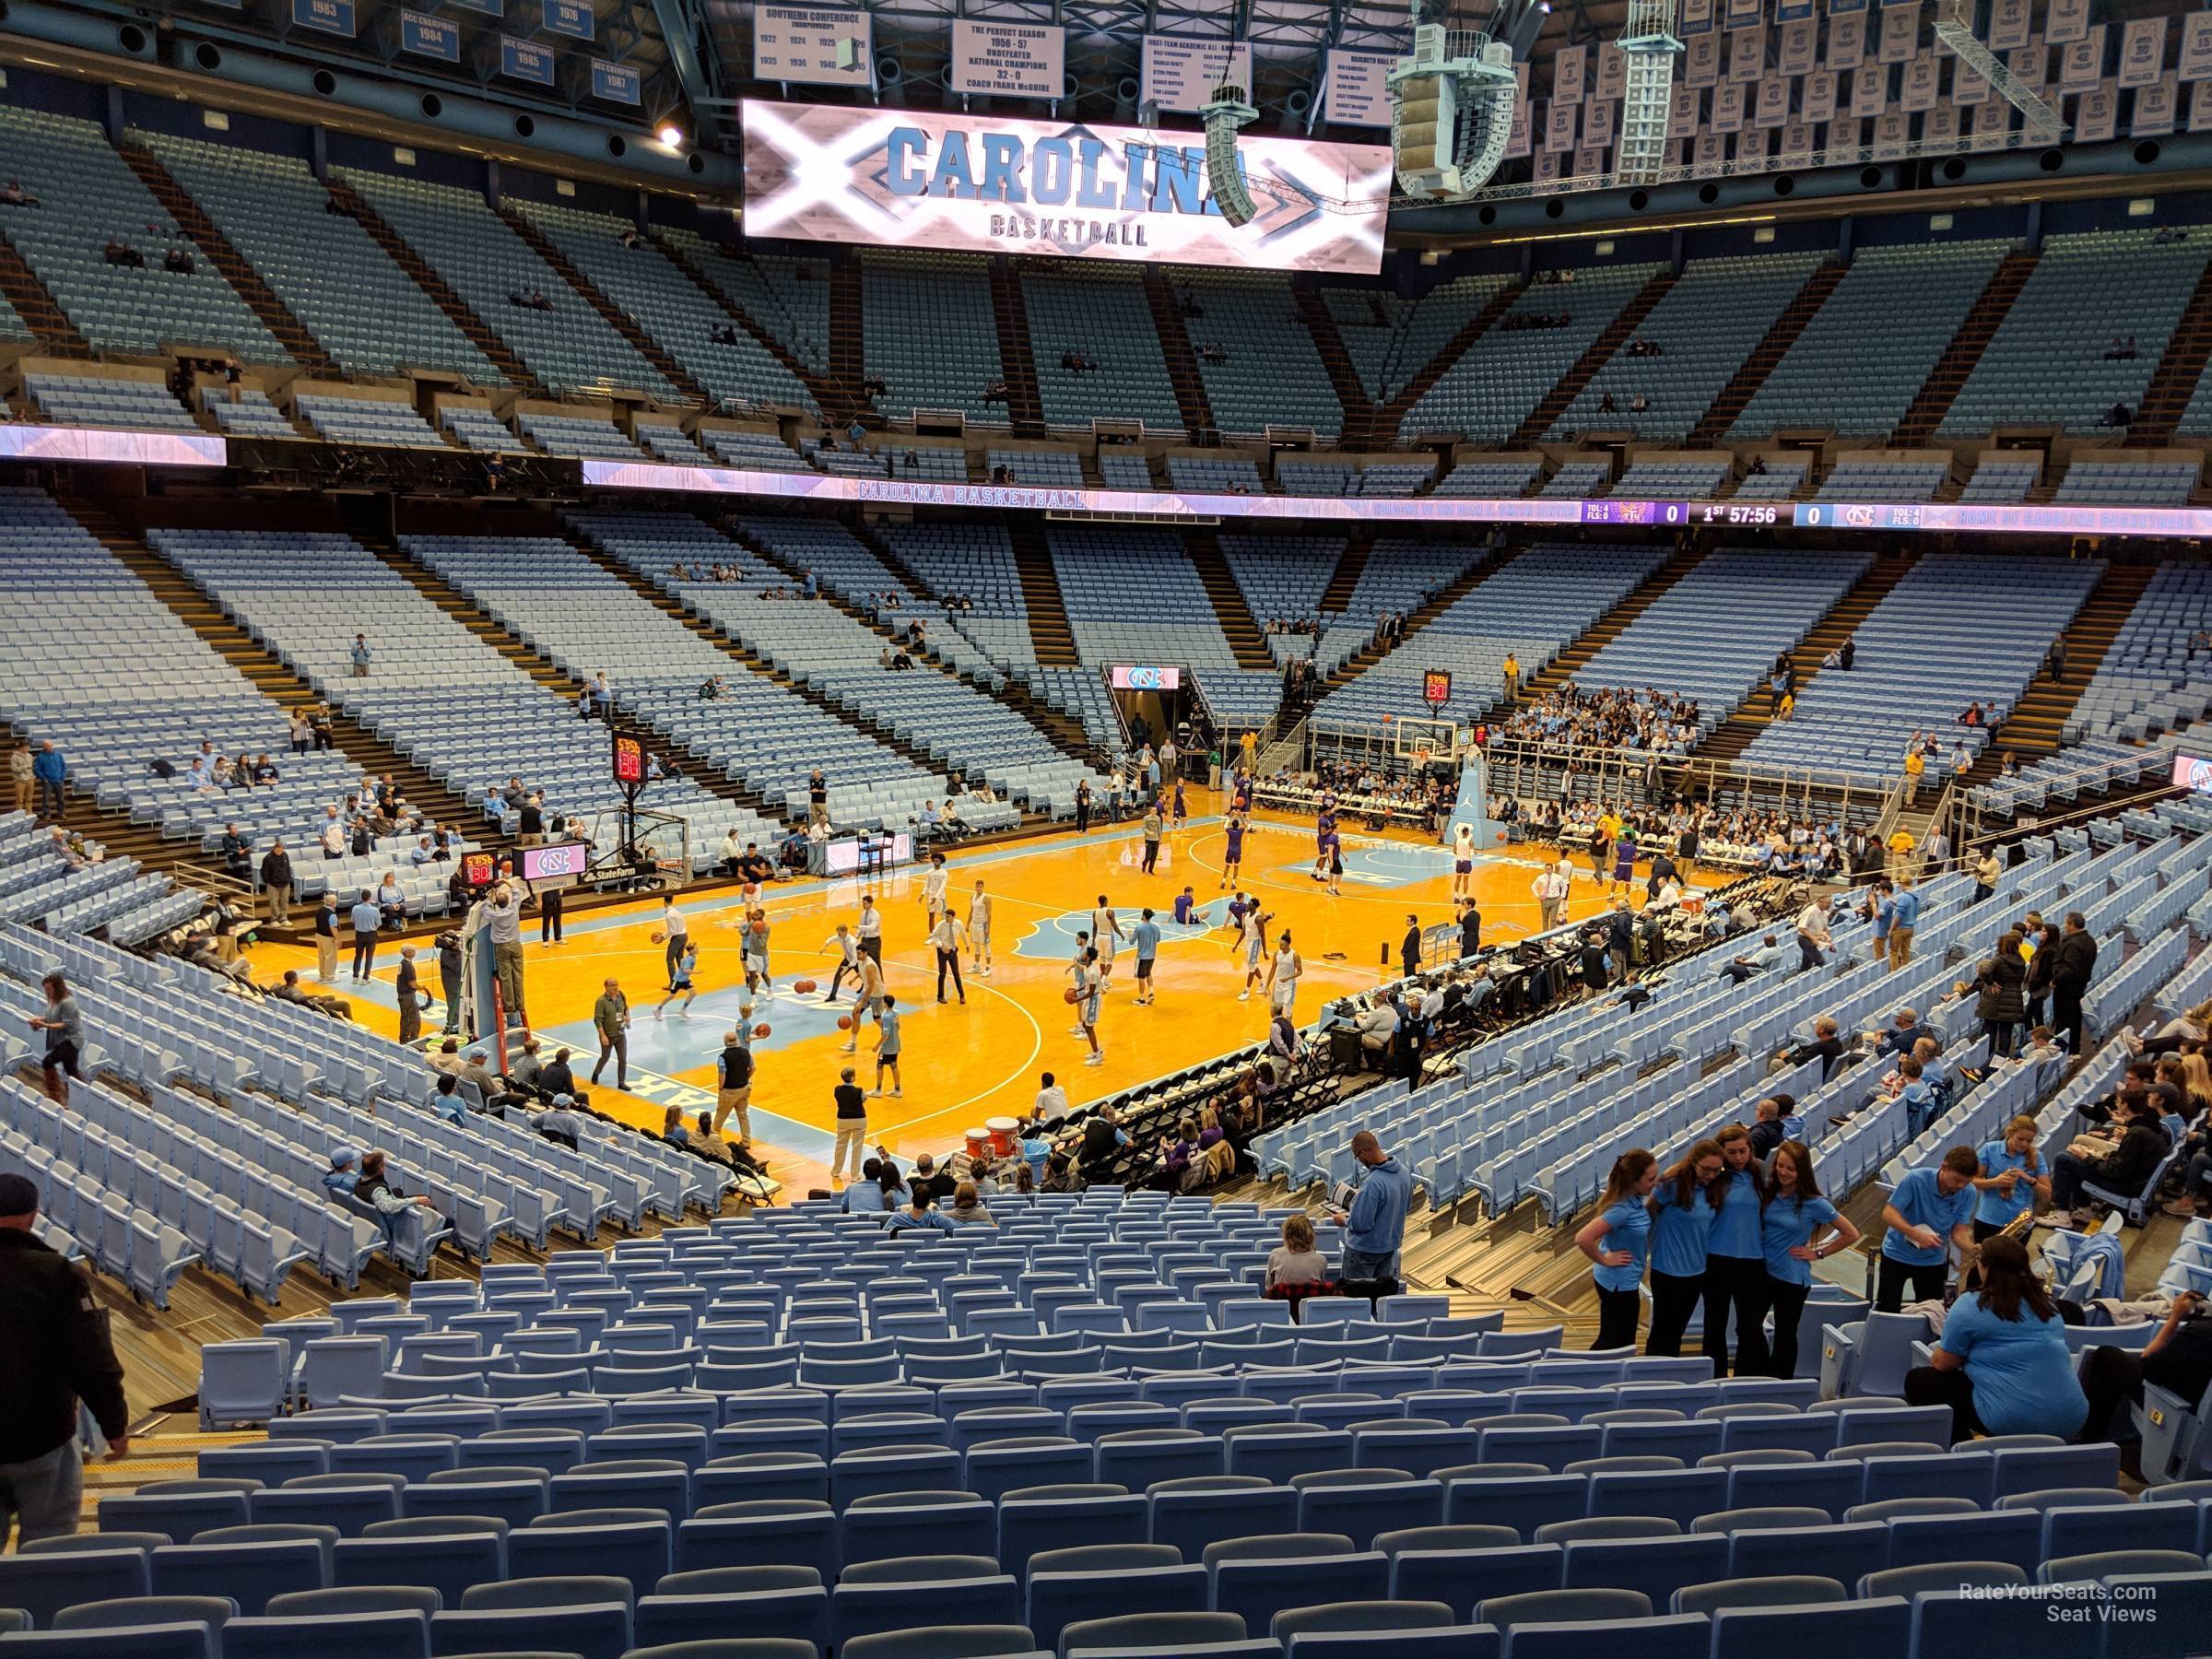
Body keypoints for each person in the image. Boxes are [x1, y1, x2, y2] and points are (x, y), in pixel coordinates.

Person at [0, 1172, 129, 1541]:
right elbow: (91, 1359)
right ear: (33, 1215)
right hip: (42, 1434)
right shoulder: (56, 1273)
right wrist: (114, 1424)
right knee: (50, 1546)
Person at [1903, 1235, 2088, 1444]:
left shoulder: (1971, 1306)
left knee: (1921, 1380)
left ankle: (1962, 1451)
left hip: (2013, 1420)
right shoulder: (2048, 1306)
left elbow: (1942, 1363)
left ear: (1985, 1267)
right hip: (2072, 1417)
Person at [1750, 1141, 1858, 1379]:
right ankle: (1758, 1375)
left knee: (1785, 1335)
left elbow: (1851, 1233)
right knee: (1749, 1326)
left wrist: (1818, 1253)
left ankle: (1780, 1383)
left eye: (1791, 1168)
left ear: (1802, 1171)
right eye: (1780, 1166)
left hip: (1791, 1277)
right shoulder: (1768, 1192)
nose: (1784, 1172)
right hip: (1762, 1271)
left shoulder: (1813, 1203)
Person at [2077, 1291, 2212, 1467]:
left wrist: (2175, 1319)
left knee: (2107, 1356)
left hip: (2175, 1407)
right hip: (2202, 1409)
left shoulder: (2198, 1333)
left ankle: (2090, 1443)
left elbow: (2147, 1364)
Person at [2040, 1088, 2168, 1230]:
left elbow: (2115, 1171)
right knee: (2074, 1159)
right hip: (2134, 1181)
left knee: (2063, 1159)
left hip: (2126, 1186)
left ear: (2125, 1106)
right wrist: (2099, 1156)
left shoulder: (2137, 1133)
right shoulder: (2149, 1127)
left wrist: (2088, 1157)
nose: (2116, 1105)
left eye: (2118, 1102)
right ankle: (2084, 1210)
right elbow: (2125, 1161)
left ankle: (2062, 1215)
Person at [1877, 1146, 1980, 1310]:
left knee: (1932, 1312)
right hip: (1897, 1254)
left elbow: (1959, 1233)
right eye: (1957, 1180)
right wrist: (1915, 1234)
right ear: (1944, 1167)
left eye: (1966, 1182)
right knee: (1888, 1307)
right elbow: (1889, 1213)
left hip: (1933, 1260)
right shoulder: (1916, 1179)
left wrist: (1974, 1249)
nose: (1960, 1186)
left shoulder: (1969, 1192)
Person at [1646, 1139, 1723, 1358]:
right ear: (1693, 1163)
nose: (1711, 1175)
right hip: (1667, 1270)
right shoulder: (1671, 1185)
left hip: (1696, 1271)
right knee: (1663, 1330)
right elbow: (1649, 1212)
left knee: (1677, 1330)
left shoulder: (1713, 1188)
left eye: (1716, 1170)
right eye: (1706, 1170)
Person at [1577, 1148, 1658, 1349]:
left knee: (1614, 1338)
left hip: (1622, 1281)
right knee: (1616, 1342)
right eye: (1651, 1179)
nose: (1655, 1182)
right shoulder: (1621, 1210)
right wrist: (1605, 1259)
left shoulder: (1634, 1203)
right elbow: (1583, 1238)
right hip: (1618, 1285)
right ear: (1634, 1182)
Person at [1333, 1130, 1412, 1283]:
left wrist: (1343, 1221)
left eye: (1357, 1156)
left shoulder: (1373, 1182)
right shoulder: (1404, 1173)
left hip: (1363, 1251)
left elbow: (1362, 1223)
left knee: (1355, 1300)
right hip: (1389, 1247)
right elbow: (1407, 1206)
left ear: (1364, 1153)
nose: (1360, 1161)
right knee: (1380, 1297)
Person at [2047, 911, 2098, 1060]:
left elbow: (2069, 969)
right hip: (2079, 986)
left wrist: (2055, 981)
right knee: (2075, 1017)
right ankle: (2074, 1049)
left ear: (2072, 925)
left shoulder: (2073, 944)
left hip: (2066, 988)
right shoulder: (2089, 940)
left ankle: (2063, 1051)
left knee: (2064, 1020)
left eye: (2066, 923)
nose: (2064, 926)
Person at [1973, 931, 2029, 1058]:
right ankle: (2001, 1061)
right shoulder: (2020, 961)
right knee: (2006, 1033)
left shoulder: (1998, 960)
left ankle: (1989, 1061)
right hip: (2013, 999)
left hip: (1995, 1000)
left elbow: (1984, 971)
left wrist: (1991, 983)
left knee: (1990, 1033)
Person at [29, 973, 82, 1107]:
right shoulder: (52, 1000)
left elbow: (66, 1024)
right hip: (60, 1040)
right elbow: (49, 1017)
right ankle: (82, 1096)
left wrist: (45, 1025)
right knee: (71, 1071)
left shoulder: (68, 1002)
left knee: (48, 1061)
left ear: (57, 988)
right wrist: (38, 1021)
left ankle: (55, 1097)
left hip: (71, 1040)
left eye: (49, 989)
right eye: (46, 990)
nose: (47, 992)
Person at [1266, 1213, 1331, 1288]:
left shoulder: (1275, 1254)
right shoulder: (1321, 1260)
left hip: (1281, 1299)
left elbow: (1269, 1287)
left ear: (1286, 1234)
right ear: (1310, 1234)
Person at [714, 1029, 754, 1143]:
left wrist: (721, 1086)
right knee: (743, 1116)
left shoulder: (723, 1057)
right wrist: (746, 1078)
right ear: (737, 1040)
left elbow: (722, 1073)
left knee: (720, 1117)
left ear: (725, 1041)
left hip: (729, 1091)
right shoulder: (746, 1052)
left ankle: (714, 1141)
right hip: (744, 1088)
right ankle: (746, 1140)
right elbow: (754, 1067)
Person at [591, 978, 630, 1089]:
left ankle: (621, 1082)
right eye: (612, 985)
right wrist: (603, 1035)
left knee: (622, 1059)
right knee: (605, 1057)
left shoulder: (621, 995)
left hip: (620, 1034)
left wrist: (627, 1016)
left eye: (616, 984)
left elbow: (626, 1008)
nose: (615, 987)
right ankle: (596, 1073)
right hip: (608, 1035)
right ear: (606, 987)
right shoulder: (601, 1001)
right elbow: (597, 1020)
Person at [831, 1066, 868, 1182]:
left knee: (840, 1145)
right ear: (853, 1078)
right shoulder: (859, 1091)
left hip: (842, 1120)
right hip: (859, 1120)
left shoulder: (837, 1089)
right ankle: (854, 1175)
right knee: (857, 1147)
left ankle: (836, 1171)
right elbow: (864, 1099)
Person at [885, 1187, 956, 1237]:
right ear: (929, 1202)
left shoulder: (897, 1219)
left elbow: (882, 1236)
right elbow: (955, 1229)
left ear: (912, 1200)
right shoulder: (936, 1217)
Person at [931, 905, 966, 1006]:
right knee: (942, 974)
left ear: (953, 917)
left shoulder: (958, 924)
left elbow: (963, 933)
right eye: (945, 917)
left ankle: (962, 995)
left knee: (956, 973)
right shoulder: (941, 924)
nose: (946, 918)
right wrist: (942, 946)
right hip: (942, 952)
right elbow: (934, 936)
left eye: (948, 917)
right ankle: (940, 996)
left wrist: (967, 944)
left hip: (953, 952)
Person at [871, 994, 903, 1096]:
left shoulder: (886, 1016)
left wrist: (876, 1046)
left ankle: (878, 1090)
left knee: (879, 1066)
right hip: (895, 1045)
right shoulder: (895, 1014)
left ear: (885, 1003)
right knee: (894, 1066)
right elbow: (898, 1027)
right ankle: (897, 1090)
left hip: (887, 1047)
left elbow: (885, 1034)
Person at [657, 941, 700, 1019]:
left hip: (685, 980)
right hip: (678, 980)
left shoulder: (691, 957)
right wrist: (696, 972)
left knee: (693, 993)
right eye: (696, 948)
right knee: (671, 996)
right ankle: (658, 1010)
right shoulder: (690, 959)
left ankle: (683, 1010)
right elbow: (685, 970)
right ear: (691, 951)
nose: (698, 949)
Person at [258, 839, 293, 926]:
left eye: (281, 850)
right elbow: (264, 872)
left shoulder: (285, 855)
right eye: (278, 850)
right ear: (274, 848)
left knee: (285, 901)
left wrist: (288, 878)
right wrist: (268, 881)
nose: (279, 852)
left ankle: (284, 918)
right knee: (274, 902)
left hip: (285, 883)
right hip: (273, 884)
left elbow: (288, 868)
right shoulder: (268, 858)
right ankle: (274, 919)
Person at [348, 888, 381, 982]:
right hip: (371, 934)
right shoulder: (375, 910)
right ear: (370, 898)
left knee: (358, 955)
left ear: (361, 898)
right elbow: (378, 923)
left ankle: (355, 976)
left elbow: (353, 921)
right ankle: (365, 978)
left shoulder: (355, 908)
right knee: (369, 957)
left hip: (359, 934)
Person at [394, 947, 424, 1045]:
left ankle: (404, 1038)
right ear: (407, 953)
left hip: (402, 995)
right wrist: (420, 987)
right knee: (414, 1018)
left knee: (405, 1018)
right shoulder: (408, 966)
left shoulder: (403, 963)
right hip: (407, 995)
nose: (415, 952)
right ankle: (414, 1040)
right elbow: (412, 982)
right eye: (412, 950)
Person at [1132, 908, 1160, 1006]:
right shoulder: (1156, 927)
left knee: (1141, 977)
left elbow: (1131, 941)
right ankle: (1151, 992)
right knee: (1148, 973)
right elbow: (1158, 940)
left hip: (1142, 956)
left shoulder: (1139, 928)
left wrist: (1129, 935)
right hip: (1152, 955)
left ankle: (1141, 999)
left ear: (1143, 916)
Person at [1534, 860, 1571, 933]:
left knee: (1553, 919)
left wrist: (1562, 896)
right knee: (1545, 919)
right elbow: (1533, 886)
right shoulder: (1540, 878)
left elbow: (1564, 886)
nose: (1547, 871)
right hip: (1545, 900)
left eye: (1549, 869)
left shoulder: (1558, 877)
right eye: (1546, 869)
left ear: (1552, 869)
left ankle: (1552, 934)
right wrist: (1537, 896)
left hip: (1555, 900)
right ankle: (1545, 933)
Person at [31, 741, 65, 822]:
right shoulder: (41, 756)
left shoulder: (58, 755)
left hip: (59, 780)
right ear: (44, 747)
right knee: (46, 799)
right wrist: (43, 778)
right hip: (48, 781)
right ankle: (47, 814)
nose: (50, 748)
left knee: (61, 798)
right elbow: (37, 769)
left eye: (51, 746)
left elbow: (64, 766)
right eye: (48, 746)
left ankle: (61, 813)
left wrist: (62, 776)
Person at [312, 893, 341, 985]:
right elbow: (333, 928)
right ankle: (329, 977)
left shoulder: (320, 910)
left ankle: (322, 975)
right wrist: (337, 939)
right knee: (330, 957)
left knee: (322, 956)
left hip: (318, 935)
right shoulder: (331, 914)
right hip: (328, 937)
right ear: (333, 903)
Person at [971, 880, 994, 979]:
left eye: (980, 887)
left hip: (983, 924)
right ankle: (977, 965)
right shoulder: (972, 897)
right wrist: (968, 923)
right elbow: (971, 910)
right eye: (977, 886)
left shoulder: (986, 898)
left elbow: (989, 914)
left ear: (983, 887)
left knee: (986, 945)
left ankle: (988, 967)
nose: (978, 888)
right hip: (974, 923)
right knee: (976, 944)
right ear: (975, 887)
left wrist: (988, 927)